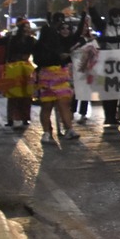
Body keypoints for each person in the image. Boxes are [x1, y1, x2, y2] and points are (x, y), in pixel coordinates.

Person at [34, 13, 79, 143]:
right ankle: (47, 132)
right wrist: (57, 57)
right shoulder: (40, 46)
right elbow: (39, 60)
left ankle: (69, 129)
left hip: (59, 75)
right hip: (46, 76)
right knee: (47, 105)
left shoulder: (58, 43)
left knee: (63, 103)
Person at [2, 19, 38, 130]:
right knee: (13, 94)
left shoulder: (31, 40)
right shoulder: (13, 39)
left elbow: (36, 52)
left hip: (26, 68)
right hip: (14, 67)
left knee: (26, 94)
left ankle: (25, 117)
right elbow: (7, 53)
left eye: (28, 27)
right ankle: (10, 118)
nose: (27, 28)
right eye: (25, 26)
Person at [99, 7, 120, 129]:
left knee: (117, 90)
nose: (118, 19)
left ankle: (114, 115)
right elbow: (96, 19)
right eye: (115, 16)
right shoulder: (106, 27)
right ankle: (108, 116)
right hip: (108, 63)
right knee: (108, 90)